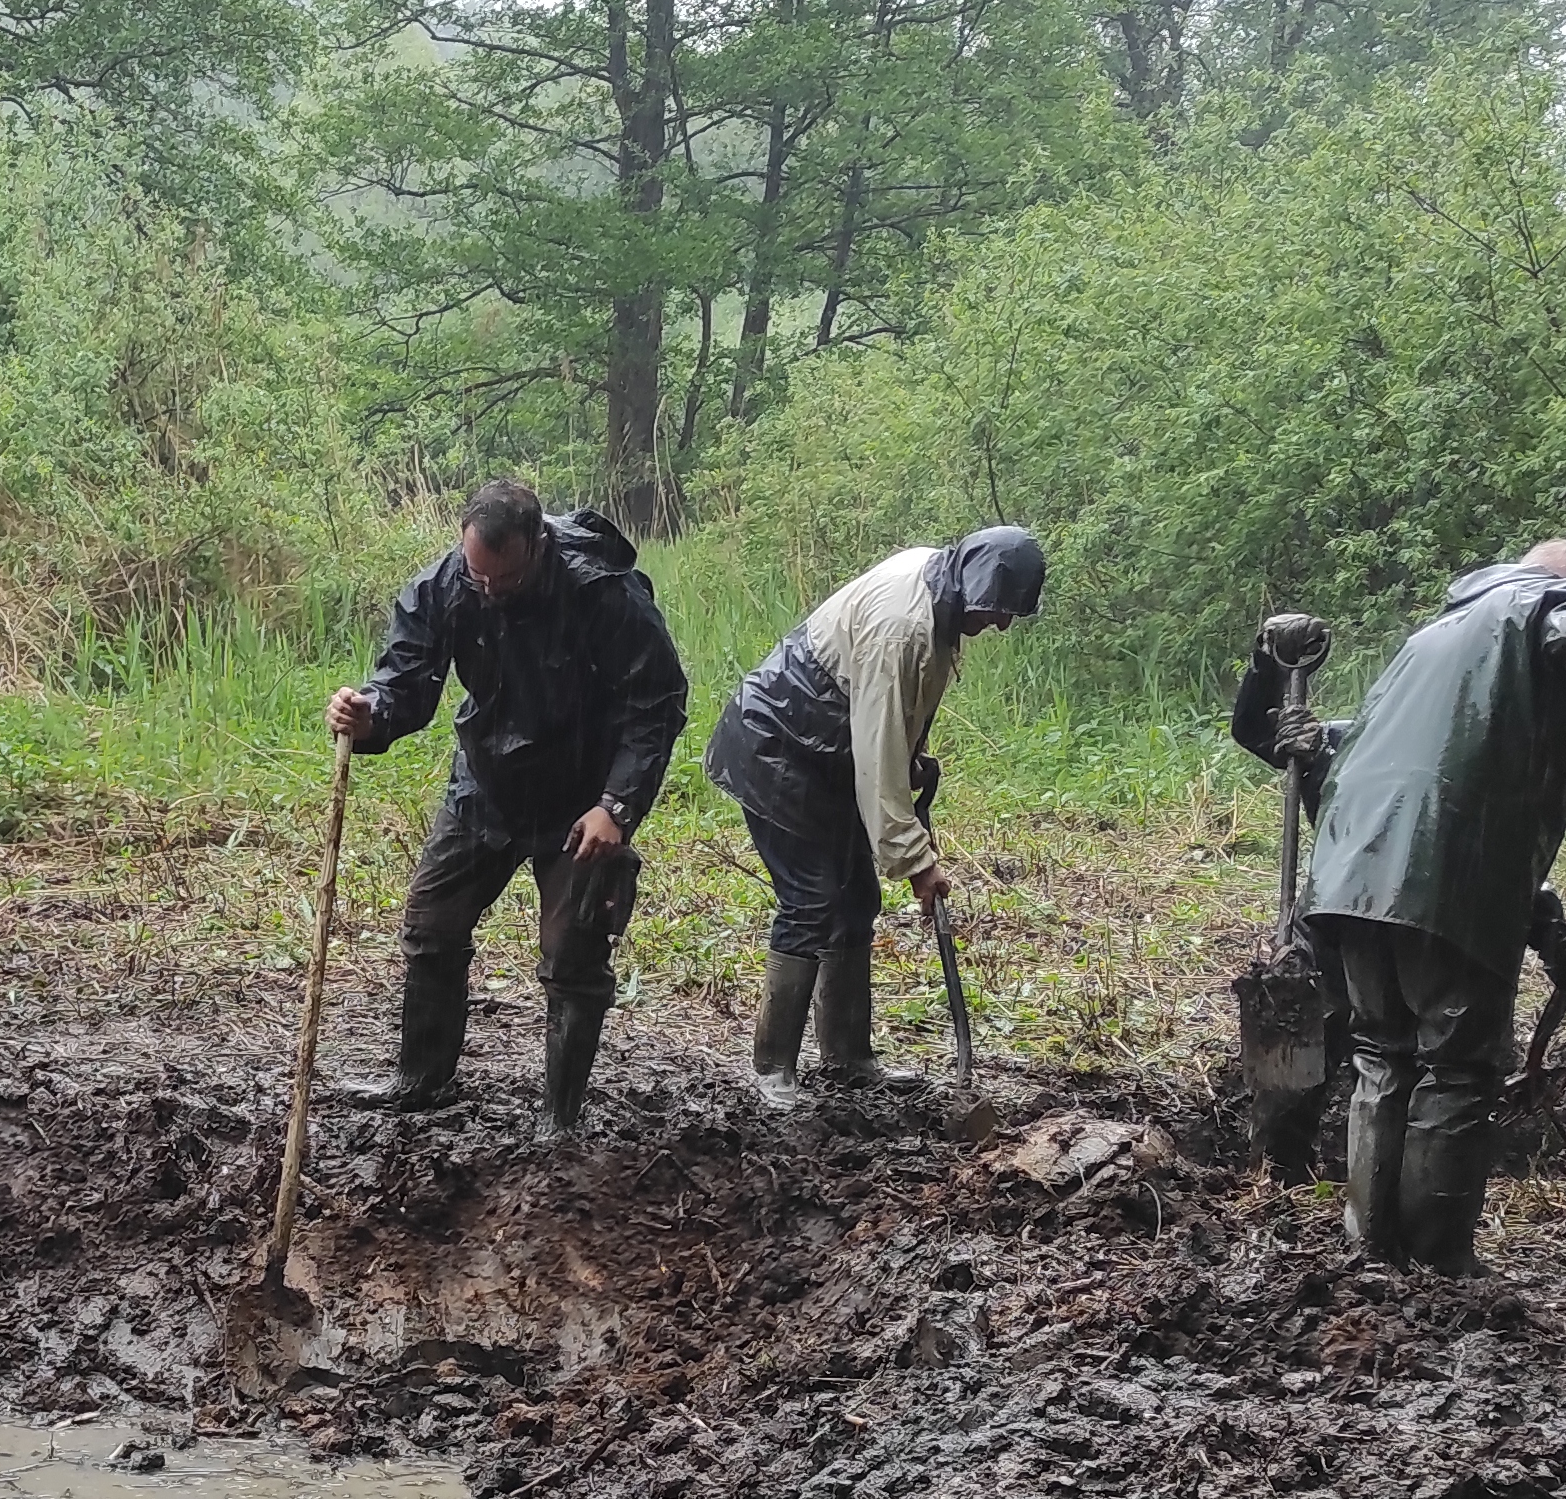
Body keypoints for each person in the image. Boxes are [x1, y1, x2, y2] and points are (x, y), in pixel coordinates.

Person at [1230, 538, 1566, 1271]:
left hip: (1350, 896)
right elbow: (1451, 832)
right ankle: (1433, 1260)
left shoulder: (1432, 661)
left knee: (1382, 1057)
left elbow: (1453, 816)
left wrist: (1555, 942)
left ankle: (1370, 1248)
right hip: (1406, 908)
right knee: (1452, 1072)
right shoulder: (1540, 602)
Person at [329, 480, 690, 1140]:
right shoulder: (445, 584)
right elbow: (405, 682)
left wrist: (617, 806)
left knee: (573, 954)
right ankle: (422, 1078)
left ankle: (560, 1116)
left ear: (538, 545)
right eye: (478, 575)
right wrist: (368, 712)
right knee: (432, 925)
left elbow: (656, 703)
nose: (489, 590)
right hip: (487, 784)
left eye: (507, 577)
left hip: (583, 800)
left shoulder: (602, 590)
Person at [701, 526, 1048, 1105]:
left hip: (822, 755)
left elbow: (890, 732)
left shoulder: (937, 585)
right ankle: (771, 1069)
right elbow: (877, 753)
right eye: (994, 611)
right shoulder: (902, 628)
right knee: (812, 899)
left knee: (855, 897)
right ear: (970, 585)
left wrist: (915, 760)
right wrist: (915, 860)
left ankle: (847, 1057)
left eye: (1008, 613)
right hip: (776, 748)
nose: (999, 625)